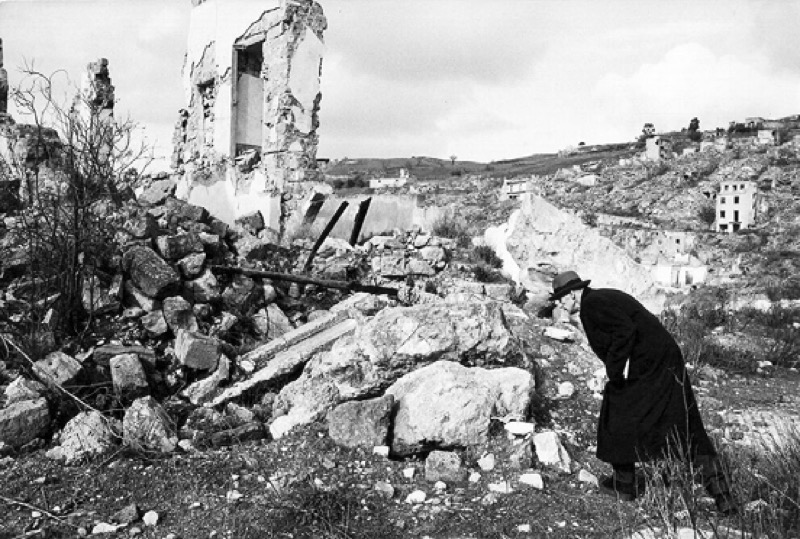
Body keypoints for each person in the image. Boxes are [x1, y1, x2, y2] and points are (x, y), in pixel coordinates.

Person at [549, 271, 735, 513]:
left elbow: (625, 331)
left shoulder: (592, 304)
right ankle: (721, 495)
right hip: (659, 361)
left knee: (619, 411)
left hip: (652, 364)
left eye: (562, 298)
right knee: (683, 424)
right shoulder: (601, 298)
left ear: (573, 293)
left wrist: (615, 371)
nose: (561, 304)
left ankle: (625, 484)